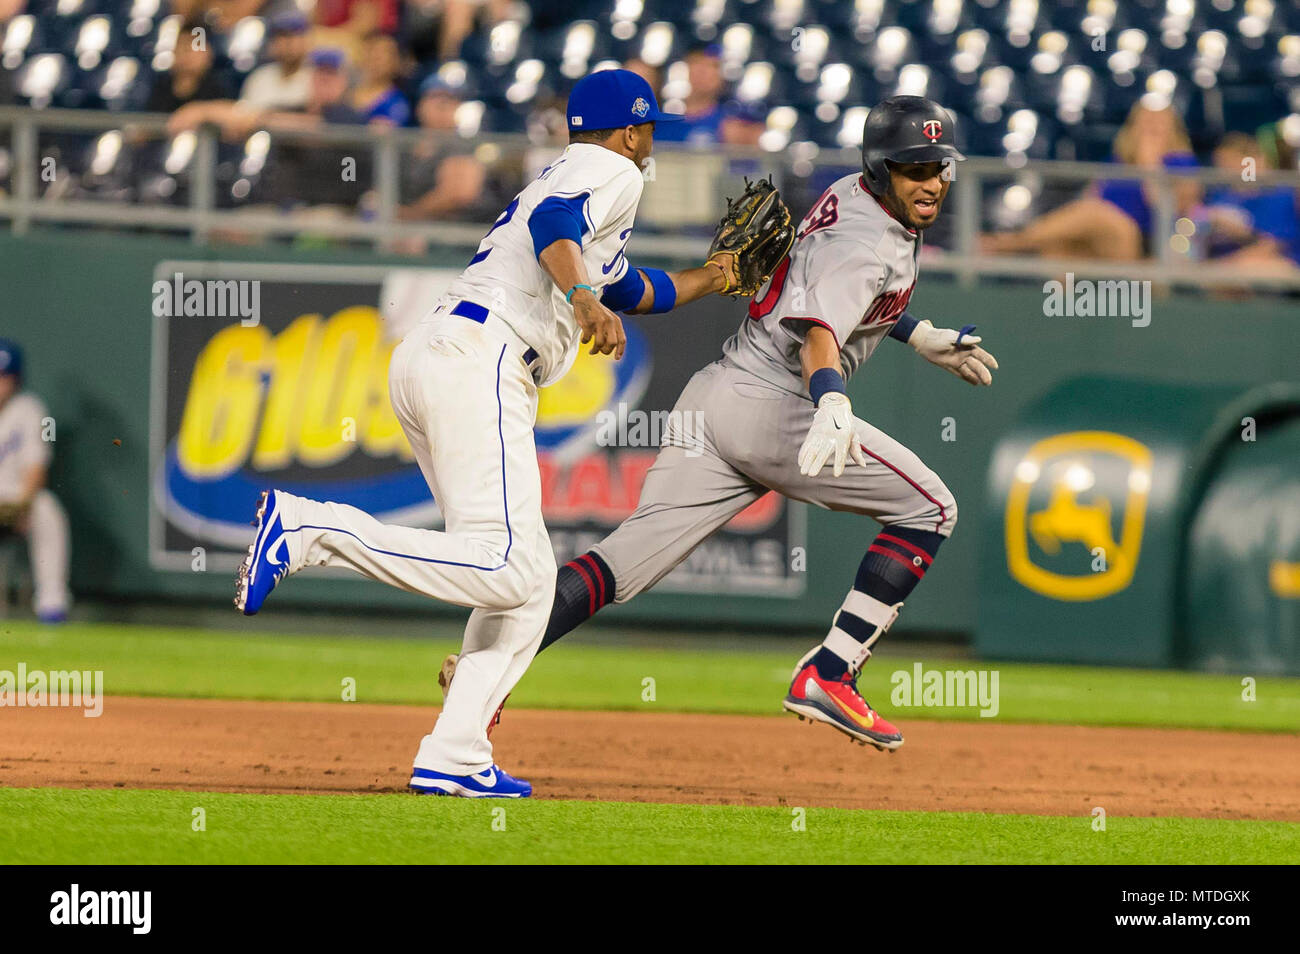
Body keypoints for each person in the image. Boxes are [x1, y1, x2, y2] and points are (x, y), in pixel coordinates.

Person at [234, 70, 744, 797]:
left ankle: (455, 751)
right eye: (650, 128)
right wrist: (580, 299)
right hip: (485, 358)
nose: (651, 140)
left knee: (527, 584)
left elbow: (632, 288)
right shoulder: (611, 170)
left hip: (444, 354)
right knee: (507, 565)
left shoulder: (575, 171)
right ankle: (308, 529)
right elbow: (553, 231)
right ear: (630, 131)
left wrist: (712, 277)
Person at [442, 96, 999, 752]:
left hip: (713, 399)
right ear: (883, 169)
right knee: (931, 509)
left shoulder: (853, 194)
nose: (931, 180)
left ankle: (484, 672)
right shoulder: (868, 236)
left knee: (618, 565)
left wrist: (917, 331)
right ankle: (830, 671)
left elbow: (837, 292)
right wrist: (831, 400)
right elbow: (820, 327)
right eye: (914, 167)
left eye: (938, 166)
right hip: (777, 407)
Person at [983, 100, 1200, 260]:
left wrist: (1149, 163)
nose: (1150, 130)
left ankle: (1012, 242)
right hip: (1098, 239)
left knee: (1098, 215)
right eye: (1145, 122)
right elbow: (1092, 195)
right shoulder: (1118, 161)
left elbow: (1167, 210)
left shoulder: (1182, 162)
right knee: (1060, 246)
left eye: (1158, 123)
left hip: (1145, 243)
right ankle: (1061, 312)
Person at [0, 340, 70, 624]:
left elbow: (36, 468)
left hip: (14, 496)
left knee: (46, 508)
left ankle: (51, 605)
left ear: (15, 380)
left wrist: (24, 506)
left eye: (4, 376)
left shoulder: (28, 409)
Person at [397, 76, 487, 221]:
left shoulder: (463, 146)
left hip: (451, 230)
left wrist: (409, 215)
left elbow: (458, 194)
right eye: (435, 97)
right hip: (405, 228)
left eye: (450, 99)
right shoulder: (405, 145)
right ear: (420, 105)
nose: (442, 104)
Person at [654, 43, 726, 146]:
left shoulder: (729, 125)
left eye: (712, 66)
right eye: (696, 63)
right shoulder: (659, 121)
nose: (702, 71)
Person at [348, 32, 411, 126]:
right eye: (371, 50)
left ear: (396, 62)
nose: (376, 57)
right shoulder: (347, 93)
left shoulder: (397, 105)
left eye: (384, 53)